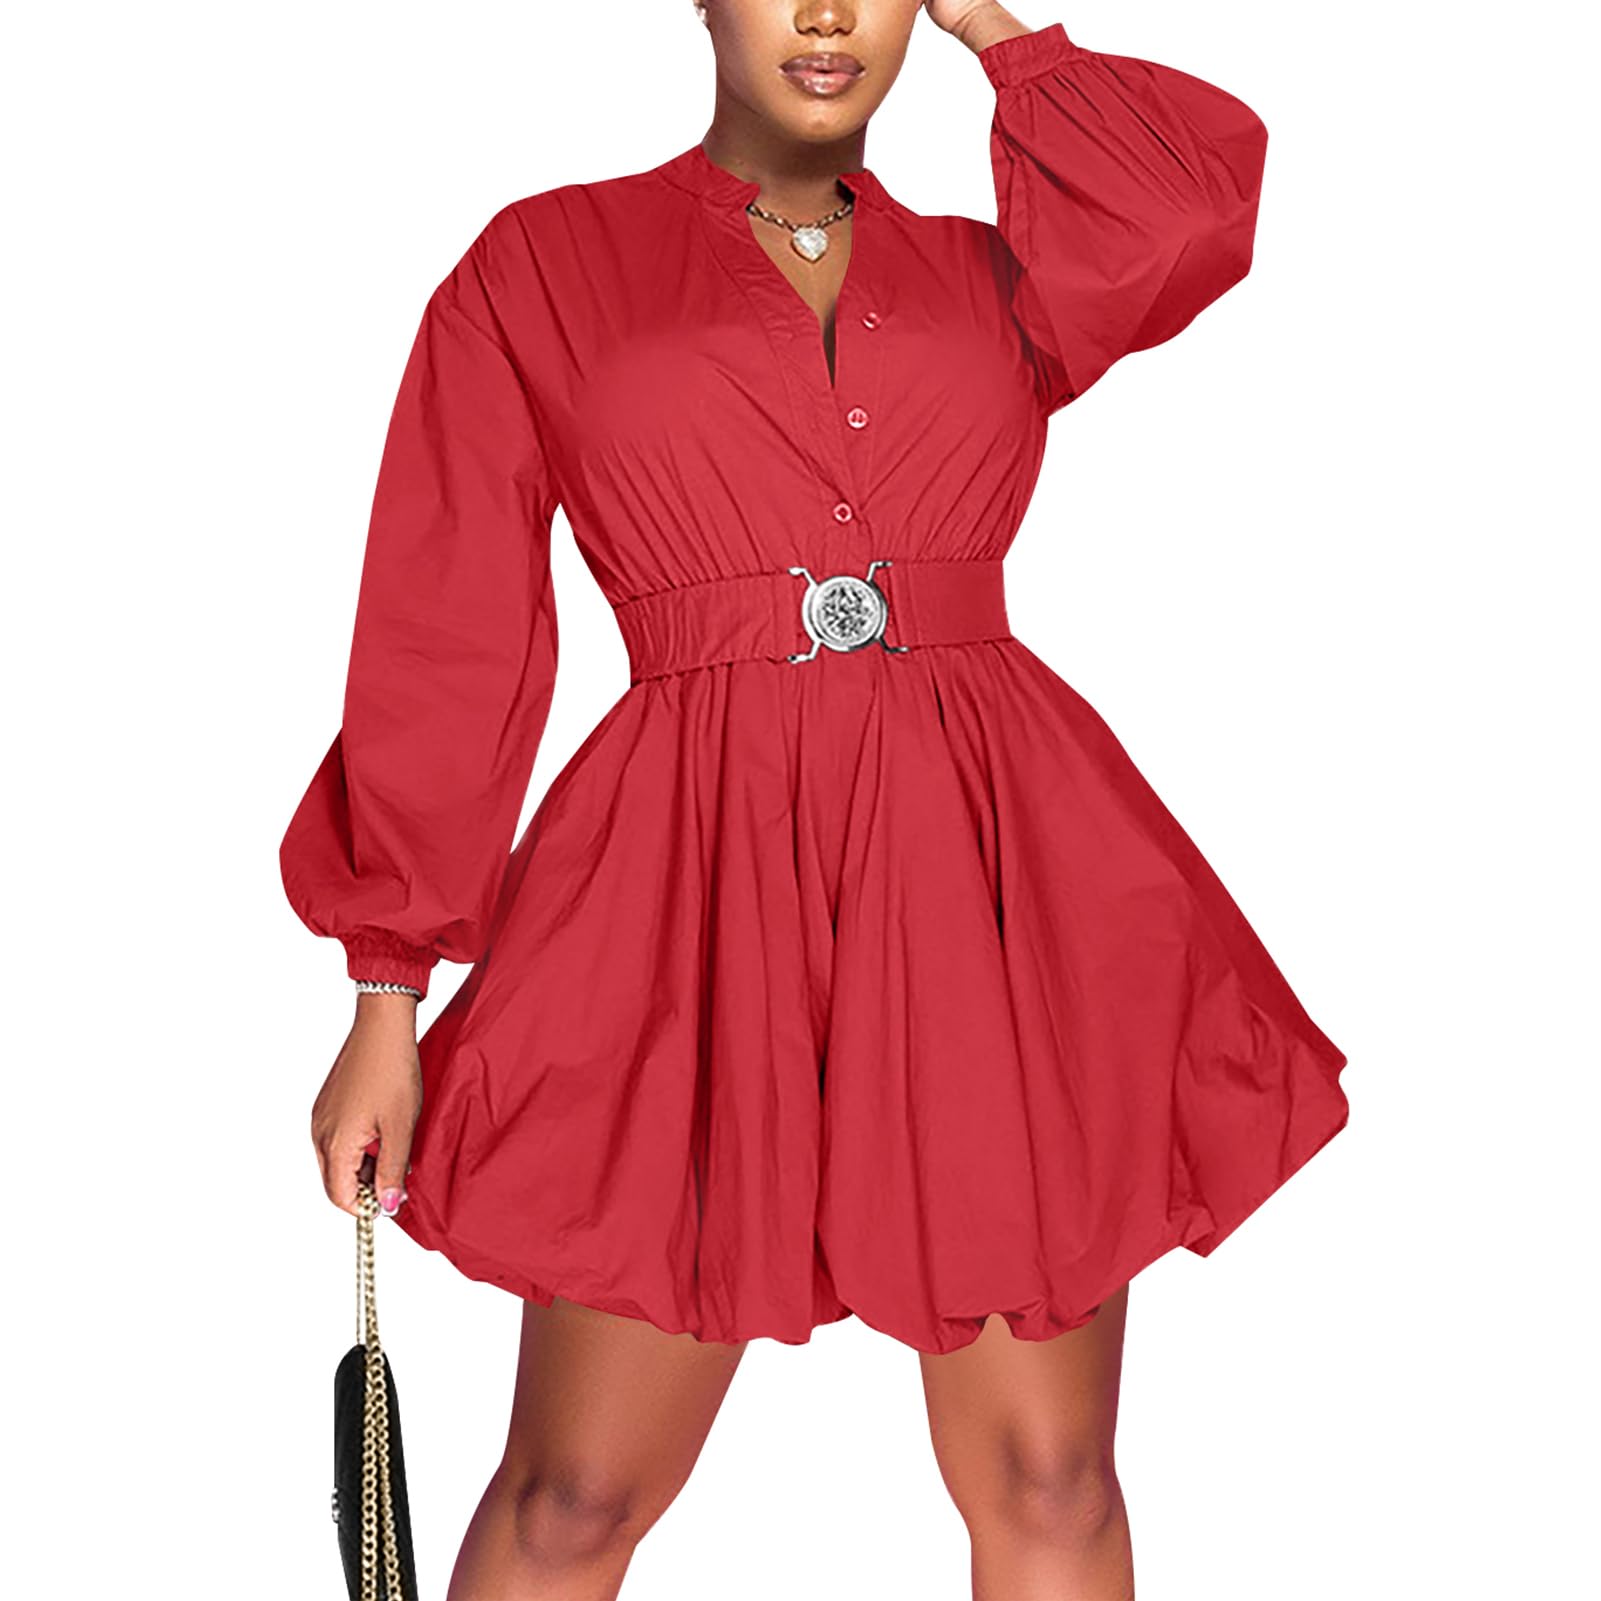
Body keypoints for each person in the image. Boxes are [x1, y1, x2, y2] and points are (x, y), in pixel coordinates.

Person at [281, 3, 1350, 1596]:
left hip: (983, 868)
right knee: (573, 1493)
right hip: (689, 882)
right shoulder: (544, 265)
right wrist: (386, 986)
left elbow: (1190, 208)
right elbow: (449, 627)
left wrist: (996, 31)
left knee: (1050, 1479)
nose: (829, 14)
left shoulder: (997, 275)